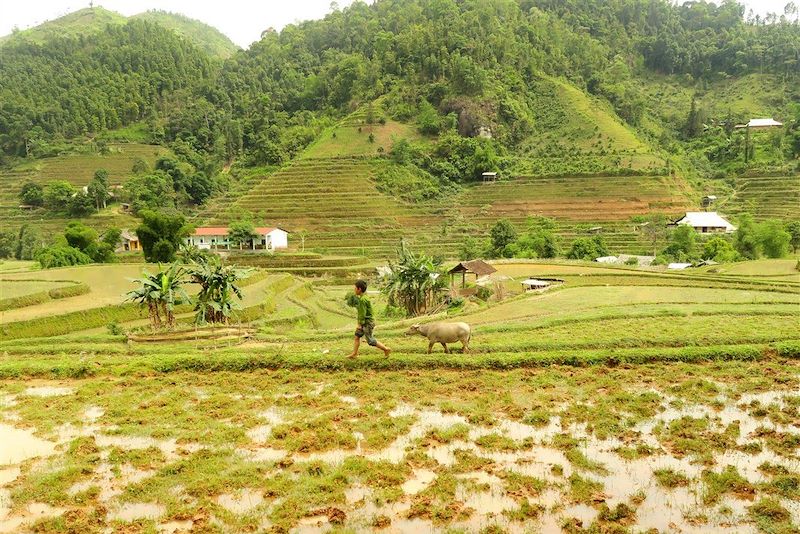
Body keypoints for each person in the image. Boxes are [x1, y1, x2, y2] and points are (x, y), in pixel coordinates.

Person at [346, 279, 391, 358]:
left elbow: (362, 314)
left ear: (359, 289)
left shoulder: (363, 300)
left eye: (355, 288)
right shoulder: (364, 298)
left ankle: (386, 349)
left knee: (370, 341)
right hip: (364, 321)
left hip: (367, 323)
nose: (354, 290)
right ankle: (354, 353)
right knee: (357, 336)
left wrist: (360, 324)